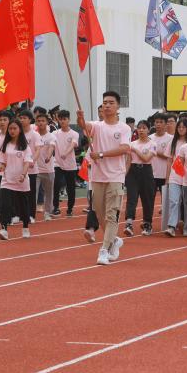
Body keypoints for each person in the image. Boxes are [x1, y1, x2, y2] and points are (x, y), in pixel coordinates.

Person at [76, 93, 132, 263]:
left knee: (111, 214)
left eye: (111, 103)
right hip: (97, 176)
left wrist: (101, 154)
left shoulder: (124, 128)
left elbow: (125, 149)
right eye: (105, 103)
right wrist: (80, 118)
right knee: (100, 214)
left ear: (118, 106)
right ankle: (114, 240)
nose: (107, 105)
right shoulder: (97, 126)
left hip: (115, 176)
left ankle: (104, 250)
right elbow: (84, 126)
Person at [0, 119, 34, 240]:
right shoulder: (5, 145)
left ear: (20, 130)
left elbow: (27, 162)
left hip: (21, 181)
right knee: (5, 205)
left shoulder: (25, 147)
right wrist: (1, 167)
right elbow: (3, 162)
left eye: (14, 128)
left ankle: (25, 227)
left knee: (23, 206)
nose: (12, 131)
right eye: (10, 129)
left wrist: (23, 175)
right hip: (7, 180)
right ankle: (4, 229)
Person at [124, 120, 156, 236]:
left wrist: (136, 150)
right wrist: (124, 175)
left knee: (147, 199)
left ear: (148, 129)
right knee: (131, 198)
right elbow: (128, 161)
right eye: (139, 128)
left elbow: (146, 158)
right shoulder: (132, 144)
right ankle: (129, 223)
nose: (141, 130)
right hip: (132, 172)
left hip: (146, 171)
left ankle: (147, 224)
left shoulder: (152, 144)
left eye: (144, 128)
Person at [163, 119, 187, 237]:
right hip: (175, 176)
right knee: (174, 201)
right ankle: (172, 226)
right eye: (179, 127)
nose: (181, 129)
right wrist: (167, 178)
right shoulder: (173, 142)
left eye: (183, 127)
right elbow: (169, 161)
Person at [52, 110, 80, 217]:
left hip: (70, 165)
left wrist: (66, 153)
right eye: (60, 119)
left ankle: (70, 208)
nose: (62, 121)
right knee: (56, 184)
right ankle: (55, 207)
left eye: (64, 119)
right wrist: (49, 155)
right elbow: (51, 145)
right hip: (57, 163)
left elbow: (73, 144)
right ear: (58, 120)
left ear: (69, 120)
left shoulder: (74, 134)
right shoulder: (55, 133)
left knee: (70, 187)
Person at [32, 112, 57, 223]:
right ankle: (31, 214)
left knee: (49, 193)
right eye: (39, 121)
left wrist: (48, 156)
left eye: (43, 121)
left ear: (47, 122)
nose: (41, 123)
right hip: (35, 169)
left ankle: (47, 212)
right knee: (33, 192)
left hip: (48, 169)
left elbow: (52, 147)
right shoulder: (34, 136)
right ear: (36, 123)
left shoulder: (51, 136)